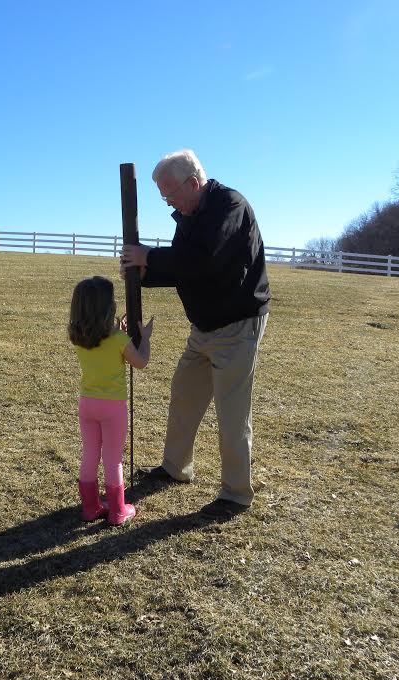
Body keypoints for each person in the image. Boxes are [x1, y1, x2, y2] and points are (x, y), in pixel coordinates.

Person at [120, 149, 271, 519]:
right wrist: (144, 274)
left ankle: (235, 494)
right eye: (162, 195)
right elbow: (183, 267)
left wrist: (148, 257)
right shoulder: (189, 214)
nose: (167, 201)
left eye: (170, 193)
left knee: (232, 412)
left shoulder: (229, 206)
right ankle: (175, 468)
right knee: (184, 394)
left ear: (193, 182)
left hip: (237, 325)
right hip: (203, 327)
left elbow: (205, 261)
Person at [68, 276, 154, 525]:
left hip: (87, 404)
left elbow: (101, 339)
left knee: (90, 452)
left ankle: (91, 507)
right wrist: (145, 338)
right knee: (113, 457)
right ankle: (118, 511)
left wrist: (118, 332)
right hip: (112, 407)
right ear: (109, 308)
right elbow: (141, 362)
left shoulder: (79, 336)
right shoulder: (118, 339)